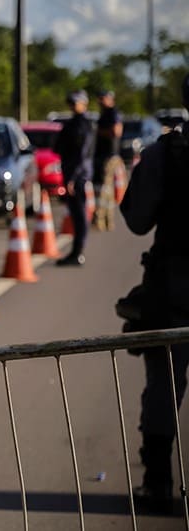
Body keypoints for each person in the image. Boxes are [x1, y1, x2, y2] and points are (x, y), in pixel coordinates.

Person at [119, 73, 189, 515]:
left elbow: (137, 219)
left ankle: (159, 484)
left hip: (175, 291)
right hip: (173, 289)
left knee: (163, 387)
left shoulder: (167, 154)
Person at [53, 90, 95, 266]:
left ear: (84, 104)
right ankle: (76, 252)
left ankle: (77, 253)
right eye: (70, 102)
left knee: (79, 216)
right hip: (72, 174)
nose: (72, 105)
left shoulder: (83, 125)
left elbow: (82, 154)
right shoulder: (72, 124)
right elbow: (59, 147)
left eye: (75, 102)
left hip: (77, 177)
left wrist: (72, 178)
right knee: (76, 215)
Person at [93, 89, 124, 231]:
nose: (100, 101)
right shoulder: (105, 114)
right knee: (107, 190)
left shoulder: (112, 113)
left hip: (109, 156)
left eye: (103, 98)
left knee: (103, 189)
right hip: (104, 155)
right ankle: (106, 221)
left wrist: (98, 131)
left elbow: (116, 131)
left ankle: (100, 219)